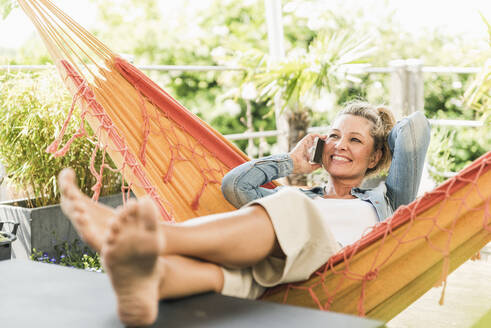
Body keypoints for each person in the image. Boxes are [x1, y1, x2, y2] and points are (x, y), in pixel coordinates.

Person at [58, 100, 430, 326]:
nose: (339, 145)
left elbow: (415, 131)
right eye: (333, 135)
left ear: (377, 156)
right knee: (230, 273)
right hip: (285, 279)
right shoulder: (304, 194)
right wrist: (293, 161)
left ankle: (156, 236)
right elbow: (234, 186)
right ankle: (150, 279)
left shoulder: (387, 200)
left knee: (289, 204)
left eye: (355, 140)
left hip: (339, 272)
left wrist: (380, 125)